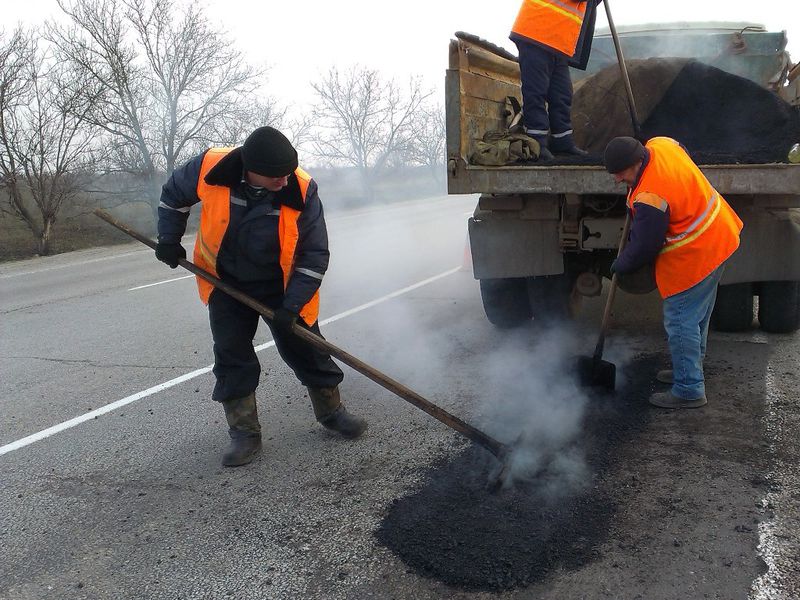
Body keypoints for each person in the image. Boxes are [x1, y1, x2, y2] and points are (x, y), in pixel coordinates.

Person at [155, 126, 367, 466]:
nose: (284, 181)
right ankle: (244, 434)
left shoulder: (301, 188)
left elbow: (315, 255)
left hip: (281, 286)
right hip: (225, 281)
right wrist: (168, 238)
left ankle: (332, 413)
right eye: (275, 177)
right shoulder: (210, 166)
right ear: (250, 169)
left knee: (308, 350)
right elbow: (172, 197)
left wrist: (291, 305)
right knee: (231, 353)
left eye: (287, 174)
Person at [603, 136, 743, 409]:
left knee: (681, 319)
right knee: (698, 315)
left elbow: (645, 246)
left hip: (698, 251)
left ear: (637, 162)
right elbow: (683, 149)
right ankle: (690, 368)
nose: (618, 180)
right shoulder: (660, 145)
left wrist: (621, 264)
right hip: (720, 233)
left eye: (620, 173)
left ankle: (689, 388)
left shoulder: (651, 196)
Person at [510, 0, 601, 159]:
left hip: (558, 41)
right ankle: (536, 144)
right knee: (536, 93)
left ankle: (562, 141)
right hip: (537, 32)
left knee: (562, 95)